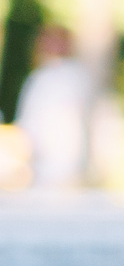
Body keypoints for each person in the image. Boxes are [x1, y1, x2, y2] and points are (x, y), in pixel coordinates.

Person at [15, 26, 95, 189]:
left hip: (70, 164)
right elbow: (29, 121)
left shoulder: (76, 76)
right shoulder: (38, 77)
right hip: (39, 163)